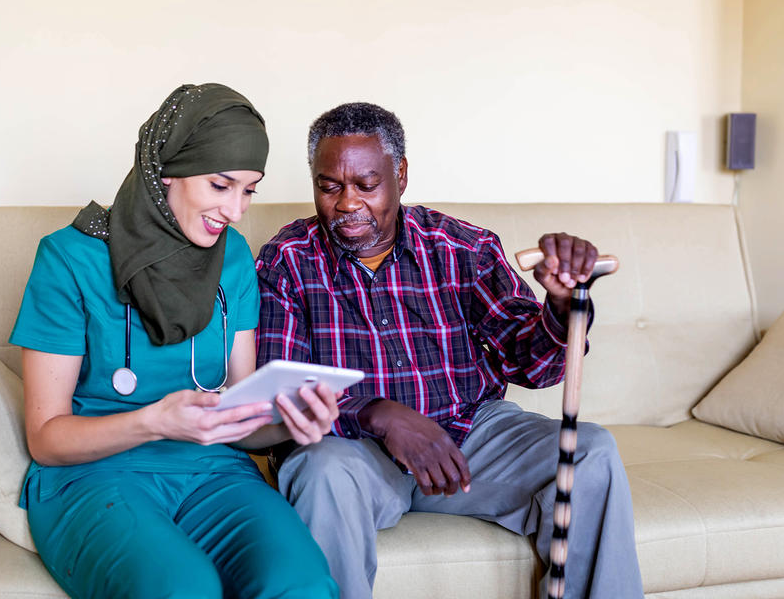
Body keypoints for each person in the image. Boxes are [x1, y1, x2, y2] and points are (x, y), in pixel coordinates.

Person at [255, 102, 643, 599]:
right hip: (355, 452)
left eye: (366, 185)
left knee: (591, 450)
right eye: (329, 186)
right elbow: (283, 393)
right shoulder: (288, 258)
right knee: (319, 469)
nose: (347, 203)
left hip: (469, 435)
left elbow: (537, 367)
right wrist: (379, 414)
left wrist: (564, 305)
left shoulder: (463, 247)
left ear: (401, 175)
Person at [10, 83, 339, 599]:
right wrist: (152, 421)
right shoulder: (68, 260)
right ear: (166, 169)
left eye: (248, 190)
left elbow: (240, 415)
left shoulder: (232, 260)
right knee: (183, 588)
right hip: (93, 477)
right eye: (220, 185)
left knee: (304, 582)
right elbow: (46, 440)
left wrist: (288, 422)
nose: (235, 211)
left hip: (213, 473)